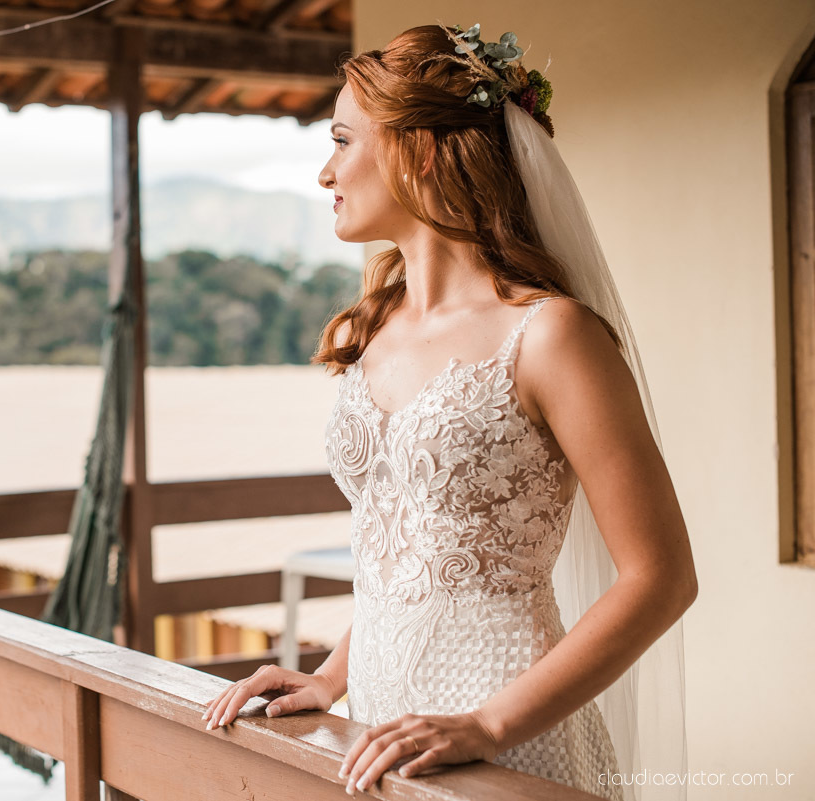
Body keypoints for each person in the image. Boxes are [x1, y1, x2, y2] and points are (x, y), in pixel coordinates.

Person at [200, 23, 698, 801]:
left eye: (341, 140)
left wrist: (489, 724)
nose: (325, 170)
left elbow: (661, 577)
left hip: (508, 732)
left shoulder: (551, 336)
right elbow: (410, 552)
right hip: (380, 731)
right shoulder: (377, 328)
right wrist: (331, 676)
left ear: (418, 150)